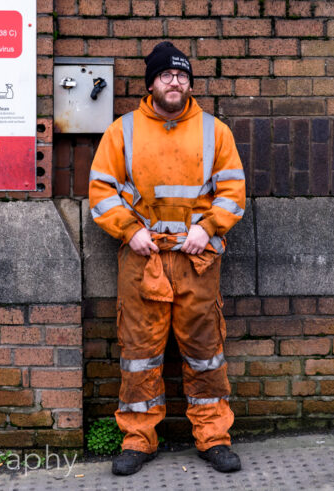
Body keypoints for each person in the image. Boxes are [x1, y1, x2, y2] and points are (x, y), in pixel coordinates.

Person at [88, 41, 246, 476]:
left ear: (189, 83)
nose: (174, 82)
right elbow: (100, 190)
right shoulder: (123, 130)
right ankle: (138, 439)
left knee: (204, 351)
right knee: (139, 352)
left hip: (198, 258)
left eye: (181, 76)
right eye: (165, 75)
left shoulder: (216, 131)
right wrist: (131, 231)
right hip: (144, 257)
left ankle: (214, 436)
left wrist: (207, 228)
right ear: (152, 83)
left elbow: (234, 192)